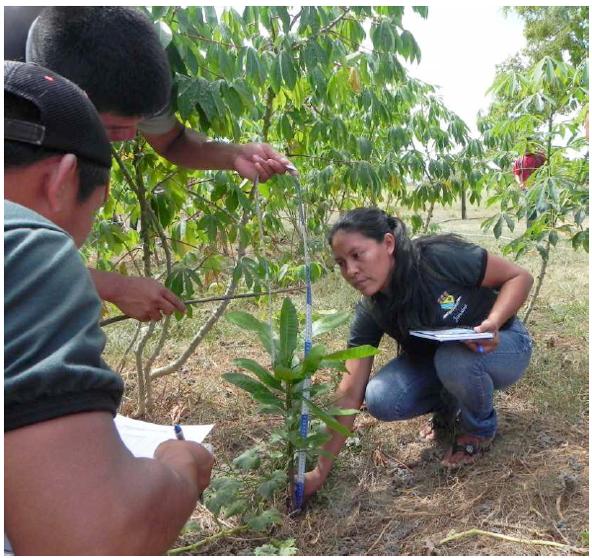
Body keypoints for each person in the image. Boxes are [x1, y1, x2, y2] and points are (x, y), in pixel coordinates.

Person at [4, 60, 214, 555]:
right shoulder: (27, 244)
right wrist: (180, 463)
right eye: (95, 212)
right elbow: (98, 542)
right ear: (62, 179)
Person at [6, 6, 295, 322]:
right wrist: (113, 286)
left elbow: (172, 141)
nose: (131, 137)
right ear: (75, 102)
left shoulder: (129, 69)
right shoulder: (16, 90)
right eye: (114, 129)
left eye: (140, 123)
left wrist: (233, 154)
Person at [305, 208, 534, 498]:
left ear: (388, 243)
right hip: (445, 361)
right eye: (341, 263)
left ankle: (478, 429)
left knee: (453, 360)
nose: (350, 271)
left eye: (357, 255)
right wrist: (319, 471)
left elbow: (520, 277)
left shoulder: (438, 259)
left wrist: (494, 322)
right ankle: (447, 409)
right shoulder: (372, 309)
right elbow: (351, 390)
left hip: (505, 344)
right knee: (381, 397)